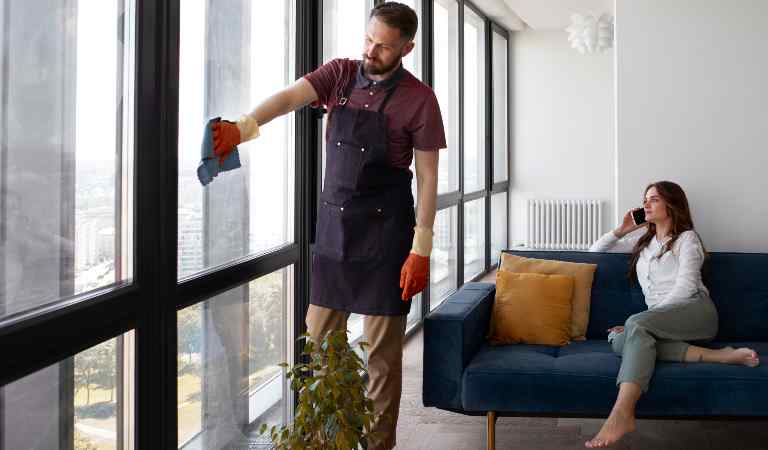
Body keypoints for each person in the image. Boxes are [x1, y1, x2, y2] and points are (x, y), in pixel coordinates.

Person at [211, 3, 445, 449]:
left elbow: (429, 177)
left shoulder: (420, 99)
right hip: (335, 233)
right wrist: (244, 126)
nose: (371, 51)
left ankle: (378, 446)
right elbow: (287, 98)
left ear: (406, 48)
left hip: (388, 239)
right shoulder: (338, 74)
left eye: (383, 46)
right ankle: (322, 443)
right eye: (368, 39)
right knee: (320, 349)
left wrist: (422, 249)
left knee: (381, 358)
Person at [585, 181, 760, 448]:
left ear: (672, 204)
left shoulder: (687, 239)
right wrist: (621, 230)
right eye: (645, 199)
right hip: (659, 322)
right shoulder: (641, 245)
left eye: (654, 199)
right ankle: (718, 356)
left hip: (695, 311)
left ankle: (622, 412)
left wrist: (644, 321)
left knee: (633, 327)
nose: (646, 204)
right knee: (618, 340)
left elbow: (686, 288)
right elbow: (591, 255)